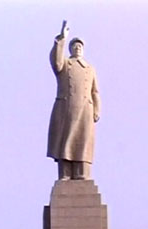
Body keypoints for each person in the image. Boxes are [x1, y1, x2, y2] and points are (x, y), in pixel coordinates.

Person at [47, 20, 101, 181]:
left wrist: (97, 109)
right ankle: (65, 173)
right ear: (70, 49)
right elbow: (56, 62)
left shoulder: (90, 69)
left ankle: (81, 173)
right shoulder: (65, 64)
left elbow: (95, 91)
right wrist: (61, 39)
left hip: (85, 109)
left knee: (83, 141)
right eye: (75, 46)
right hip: (67, 108)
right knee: (65, 140)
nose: (77, 48)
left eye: (80, 46)